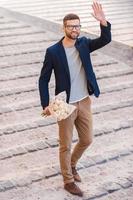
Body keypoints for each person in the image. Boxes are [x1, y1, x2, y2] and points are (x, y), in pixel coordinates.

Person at [39, 1, 111, 197]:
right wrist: (46, 103)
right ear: (64, 27)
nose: (75, 29)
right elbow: (43, 79)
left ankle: (71, 165)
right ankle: (68, 180)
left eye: (77, 26)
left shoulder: (84, 44)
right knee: (65, 144)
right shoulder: (53, 51)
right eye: (71, 26)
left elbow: (105, 40)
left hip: (85, 100)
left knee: (87, 139)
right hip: (65, 105)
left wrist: (103, 21)